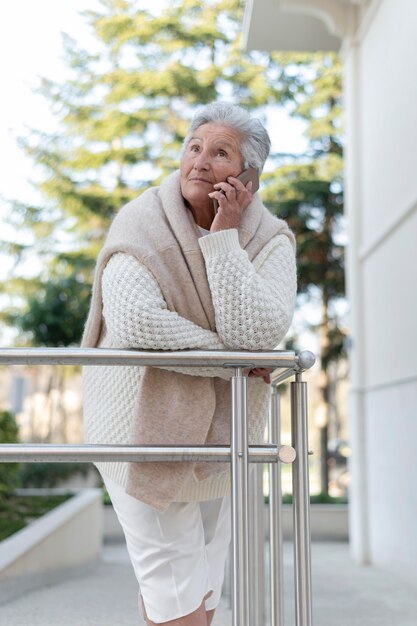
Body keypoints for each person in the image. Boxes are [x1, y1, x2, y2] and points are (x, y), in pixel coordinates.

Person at [82, 101, 296, 626]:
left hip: (224, 442)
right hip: (137, 435)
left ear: (248, 177)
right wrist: (237, 363)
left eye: (219, 153)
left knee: (195, 592)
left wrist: (224, 237)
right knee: (173, 588)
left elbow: (260, 332)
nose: (199, 162)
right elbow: (137, 324)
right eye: (193, 147)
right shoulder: (141, 221)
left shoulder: (270, 239)